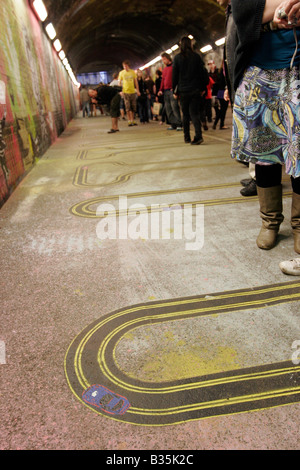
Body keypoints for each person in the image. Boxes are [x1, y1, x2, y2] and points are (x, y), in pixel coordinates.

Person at [230, 0, 300, 254]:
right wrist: (283, 9)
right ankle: (270, 223)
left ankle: (299, 226)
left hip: (297, 73)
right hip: (259, 77)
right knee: (264, 154)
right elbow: (243, 12)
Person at [172, 36, 209, 144]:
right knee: (194, 114)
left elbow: (175, 76)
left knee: (185, 115)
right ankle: (198, 136)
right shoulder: (197, 57)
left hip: (183, 90)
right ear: (190, 44)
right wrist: (203, 88)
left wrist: (175, 90)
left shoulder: (177, 58)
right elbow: (202, 73)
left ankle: (186, 137)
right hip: (195, 90)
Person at [158, 52, 182, 131]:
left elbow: (177, 78)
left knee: (174, 107)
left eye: (164, 59)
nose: (163, 61)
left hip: (172, 90)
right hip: (165, 91)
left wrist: (175, 88)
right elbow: (163, 80)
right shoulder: (164, 70)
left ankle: (179, 124)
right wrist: (160, 90)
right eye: (162, 60)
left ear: (168, 58)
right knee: (168, 109)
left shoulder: (174, 67)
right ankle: (173, 123)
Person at [118, 60, 140, 126]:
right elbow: (119, 82)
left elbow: (136, 82)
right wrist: (120, 90)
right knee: (127, 107)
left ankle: (133, 120)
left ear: (128, 66)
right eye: (124, 66)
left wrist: (138, 90)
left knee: (133, 107)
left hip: (132, 91)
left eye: (126, 66)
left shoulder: (132, 72)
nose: (125, 67)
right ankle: (129, 120)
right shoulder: (121, 73)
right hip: (125, 92)